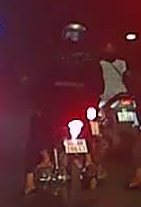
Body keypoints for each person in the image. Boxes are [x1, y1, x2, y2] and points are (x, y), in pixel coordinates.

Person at [23, 23, 102, 195]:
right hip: (65, 107)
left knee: (92, 129)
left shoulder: (60, 57)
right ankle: (39, 168)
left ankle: (32, 176)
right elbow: (98, 85)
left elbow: (97, 85)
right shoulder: (83, 59)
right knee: (39, 126)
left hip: (67, 107)